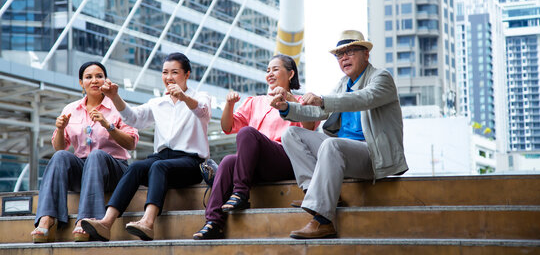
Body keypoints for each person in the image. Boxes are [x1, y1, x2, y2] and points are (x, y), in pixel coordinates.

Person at [270, 30, 408, 239]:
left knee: (332, 145)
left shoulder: (381, 78)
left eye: (351, 51)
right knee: (291, 134)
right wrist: (286, 107)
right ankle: (312, 191)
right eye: (340, 54)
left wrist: (323, 99)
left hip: (372, 155)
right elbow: (319, 111)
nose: (344, 58)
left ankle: (323, 222)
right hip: (342, 152)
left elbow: (363, 99)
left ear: (366, 55)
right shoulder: (342, 84)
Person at [81, 52, 211, 241]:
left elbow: (202, 111)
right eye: (165, 72)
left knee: (159, 166)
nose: (169, 77)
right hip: (162, 158)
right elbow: (133, 118)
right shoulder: (157, 103)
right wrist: (115, 97)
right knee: (136, 167)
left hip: (191, 162)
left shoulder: (201, 97)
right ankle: (106, 222)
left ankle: (148, 222)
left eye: (174, 72)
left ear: (187, 75)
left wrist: (183, 97)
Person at [192, 54, 318, 240]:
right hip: (257, 163)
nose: (270, 74)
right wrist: (229, 104)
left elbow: (310, 127)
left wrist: (290, 99)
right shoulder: (255, 101)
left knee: (247, 133)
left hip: (287, 159)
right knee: (227, 161)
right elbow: (227, 127)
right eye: (268, 70)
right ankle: (213, 222)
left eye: (275, 69)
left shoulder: (303, 100)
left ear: (290, 74)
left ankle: (241, 193)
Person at [31, 62, 139, 243]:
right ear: (81, 83)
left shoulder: (117, 107)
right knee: (60, 157)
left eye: (99, 76)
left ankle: (86, 220)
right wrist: (60, 129)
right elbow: (59, 147)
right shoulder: (71, 109)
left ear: (106, 80)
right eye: (89, 77)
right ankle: (47, 218)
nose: (94, 81)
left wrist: (108, 126)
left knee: (96, 155)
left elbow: (131, 143)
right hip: (83, 171)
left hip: (114, 170)